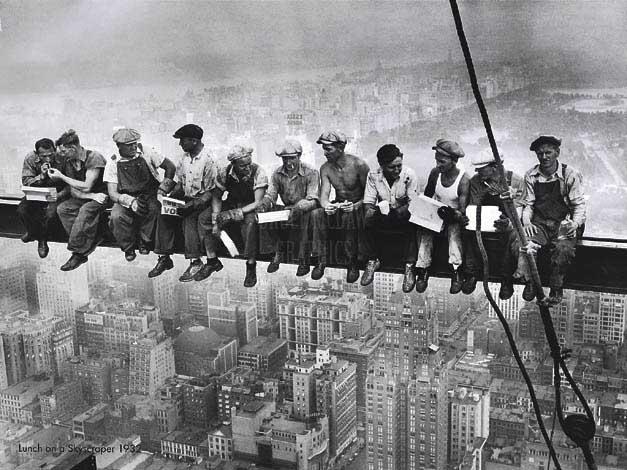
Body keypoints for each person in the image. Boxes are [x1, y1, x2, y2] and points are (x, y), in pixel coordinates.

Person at [513, 135, 586, 305]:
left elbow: (579, 205)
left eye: (548, 152)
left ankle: (556, 288)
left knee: (563, 249)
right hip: (541, 222)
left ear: (557, 153)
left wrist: (575, 224)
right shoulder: (531, 175)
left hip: (565, 223)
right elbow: (529, 204)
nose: (544, 157)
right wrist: (527, 222)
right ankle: (530, 281)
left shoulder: (570, 174)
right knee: (525, 243)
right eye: (540, 153)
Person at [148, 124, 217, 282]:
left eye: (182, 140)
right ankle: (164, 257)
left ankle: (195, 261)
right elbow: (180, 183)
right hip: (187, 198)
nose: (180, 144)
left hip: (203, 202)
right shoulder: (184, 159)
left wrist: (191, 206)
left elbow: (211, 192)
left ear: (194, 141)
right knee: (164, 214)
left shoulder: (209, 160)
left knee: (189, 220)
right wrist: (167, 196)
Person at [104, 128, 176, 262]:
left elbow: (170, 167)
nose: (133, 147)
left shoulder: (146, 152)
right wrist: (130, 202)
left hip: (149, 193)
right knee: (116, 216)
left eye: (135, 143)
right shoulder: (113, 162)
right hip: (126, 196)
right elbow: (112, 193)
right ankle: (128, 247)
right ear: (119, 146)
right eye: (129, 145)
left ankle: (145, 242)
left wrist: (162, 189)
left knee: (155, 209)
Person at [462, 149, 524, 297]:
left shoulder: (515, 180)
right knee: (467, 233)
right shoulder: (476, 181)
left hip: (506, 222)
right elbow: (474, 204)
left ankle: (506, 279)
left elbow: (519, 210)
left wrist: (507, 222)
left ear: (495, 167)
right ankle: (471, 273)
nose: (477, 171)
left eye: (481, 168)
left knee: (511, 237)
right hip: (483, 221)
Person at [203, 145, 268, 288]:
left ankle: (251, 264)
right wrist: (216, 219)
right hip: (232, 202)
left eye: (249, 163)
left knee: (250, 223)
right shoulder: (225, 172)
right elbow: (217, 197)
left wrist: (233, 214)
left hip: (250, 206)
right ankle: (212, 259)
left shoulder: (259, 172)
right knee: (205, 218)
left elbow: (258, 202)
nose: (247, 168)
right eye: (243, 165)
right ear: (234, 164)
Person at [258, 139, 325, 278]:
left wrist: (297, 208)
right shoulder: (277, 173)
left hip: (305, 208)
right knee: (266, 215)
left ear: (299, 156)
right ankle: (276, 253)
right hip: (288, 209)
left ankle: (304, 260)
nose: (288, 162)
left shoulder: (311, 172)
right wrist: (264, 204)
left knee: (308, 216)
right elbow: (271, 194)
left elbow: (312, 198)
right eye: (285, 159)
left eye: (292, 158)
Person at [361, 144, 419, 291]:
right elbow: (369, 201)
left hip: (404, 213)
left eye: (399, 166)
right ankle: (372, 259)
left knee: (413, 224)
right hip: (384, 212)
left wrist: (398, 212)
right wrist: (373, 213)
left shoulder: (409, 175)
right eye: (392, 167)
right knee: (367, 219)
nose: (397, 170)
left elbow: (414, 203)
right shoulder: (373, 175)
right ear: (382, 165)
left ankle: (410, 266)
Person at [48, 129, 108, 271]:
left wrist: (61, 176)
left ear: (73, 148)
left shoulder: (94, 158)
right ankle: (90, 240)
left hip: (103, 196)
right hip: (89, 196)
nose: (62, 154)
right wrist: (90, 196)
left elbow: (87, 186)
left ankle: (78, 253)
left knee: (86, 210)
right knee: (63, 209)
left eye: (64, 151)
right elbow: (73, 190)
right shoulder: (70, 161)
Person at [415, 139, 470, 294]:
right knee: (425, 231)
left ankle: (456, 269)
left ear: (454, 161)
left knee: (454, 233)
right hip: (437, 213)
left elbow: (462, 210)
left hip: (453, 216)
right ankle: (423, 268)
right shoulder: (435, 173)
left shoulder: (463, 180)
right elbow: (427, 196)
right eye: (437, 161)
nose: (438, 165)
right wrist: (423, 211)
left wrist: (452, 214)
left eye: (442, 162)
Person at [317, 130, 370, 283]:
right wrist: (327, 206)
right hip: (340, 204)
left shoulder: (359, 165)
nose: (325, 152)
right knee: (317, 214)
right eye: (324, 148)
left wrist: (356, 206)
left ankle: (351, 262)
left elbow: (370, 195)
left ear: (340, 148)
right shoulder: (325, 168)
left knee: (348, 217)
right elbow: (324, 195)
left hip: (359, 207)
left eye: (328, 149)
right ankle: (321, 258)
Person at [17, 138, 69, 258]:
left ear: (55, 150)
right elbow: (26, 181)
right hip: (37, 191)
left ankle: (42, 240)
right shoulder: (30, 158)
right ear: (37, 154)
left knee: (50, 215)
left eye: (50, 155)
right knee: (22, 210)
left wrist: (59, 195)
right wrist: (41, 176)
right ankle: (32, 232)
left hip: (57, 192)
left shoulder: (63, 158)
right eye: (44, 156)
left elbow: (70, 183)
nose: (48, 159)